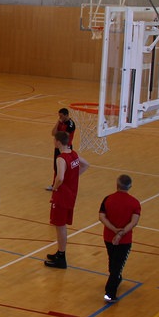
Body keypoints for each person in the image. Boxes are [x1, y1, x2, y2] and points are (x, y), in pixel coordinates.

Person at [44, 131, 89, 269]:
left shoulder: (61, 158)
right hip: (71, 194)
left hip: (62, 196)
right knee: (60, 226)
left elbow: (60, 178)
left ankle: (61, 257)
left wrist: (55, 188)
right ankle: (59, 252)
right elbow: (86, 164)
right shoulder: (73, 154)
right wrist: (74, 176)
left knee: (60, 226)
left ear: (57, 142)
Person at [98, 175, 141, 303]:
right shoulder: (134, 203)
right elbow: (134, 222)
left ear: (117, 185)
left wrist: (114, 230)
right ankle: (110, 293)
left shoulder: (108, 199)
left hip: (108, 237)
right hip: (124, 241)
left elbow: (101, 217)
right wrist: (121, 233)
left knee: (113, 261)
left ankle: (116, 278)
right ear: (130, 187)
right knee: (117, 266)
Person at [47, 108, 76, 190]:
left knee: (64, 168)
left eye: (61, 116)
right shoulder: (60, 122)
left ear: (66, 115)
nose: (60, 117)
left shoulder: (70, 124)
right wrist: (57, 123)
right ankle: (54, 184)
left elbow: (64, 137)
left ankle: (64, 184)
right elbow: (53, 133)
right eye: (59, 116)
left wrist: (57, 134)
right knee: (56, 167)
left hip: (66, 148)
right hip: (58, 148)